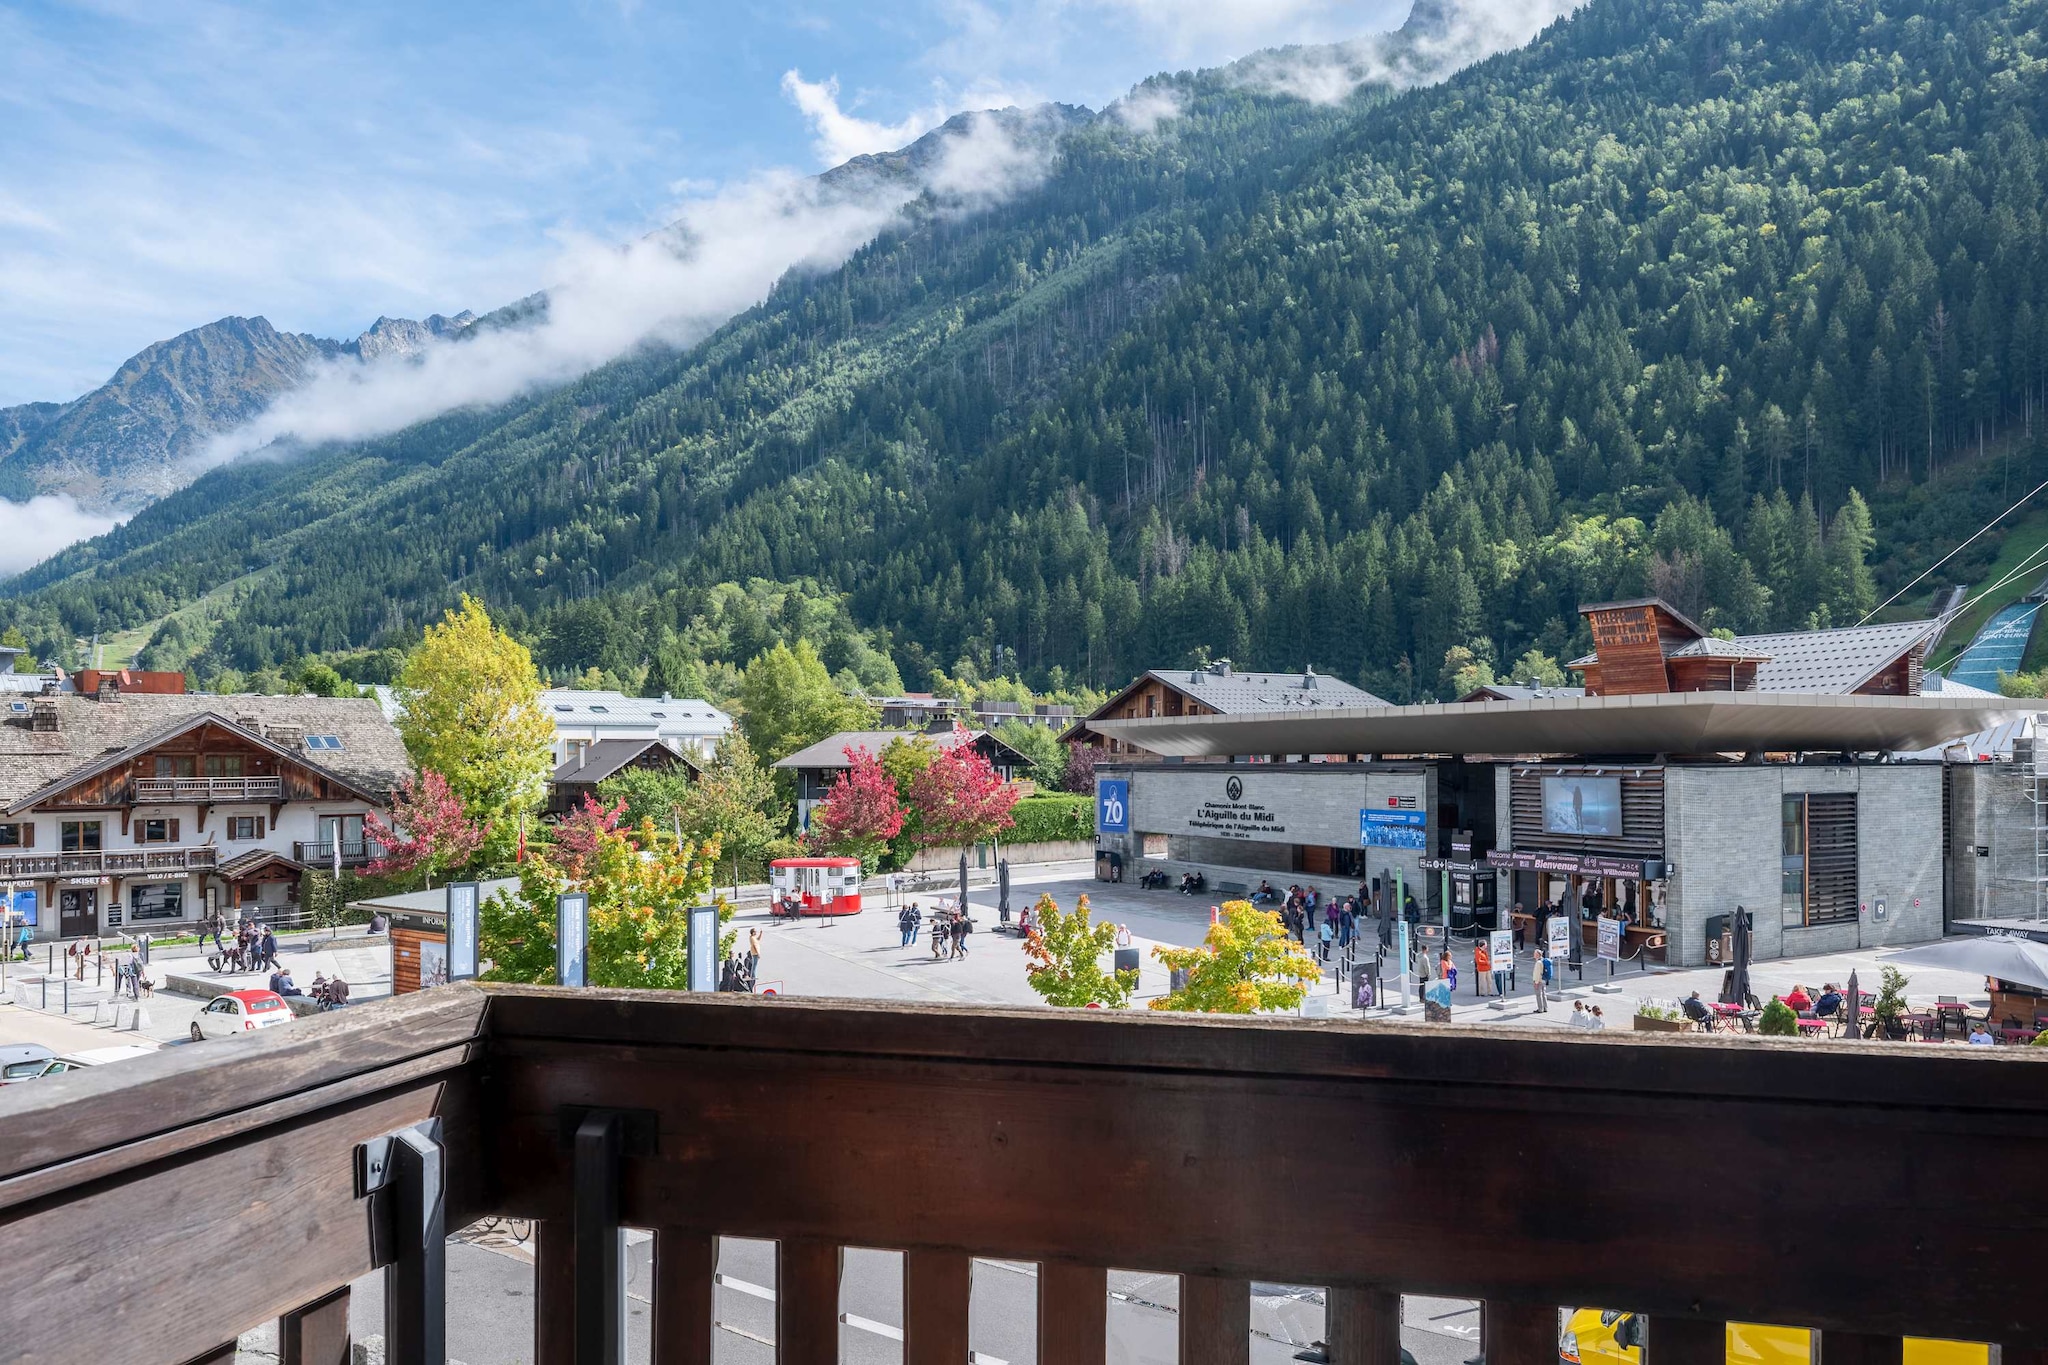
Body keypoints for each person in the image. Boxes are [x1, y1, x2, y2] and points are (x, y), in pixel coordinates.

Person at [1532, 943, 1550, 1013]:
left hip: (1538, 980)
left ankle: (1540, 1009)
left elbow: (1537, 974)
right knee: (1544, 994)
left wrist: (1536, 982)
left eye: (1534, 954)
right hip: (1543, 980)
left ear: (1537, 955)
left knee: (1538, 995)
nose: (1533, 955)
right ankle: (1545, 1007)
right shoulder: (1543, 960)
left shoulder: (1538, 963)